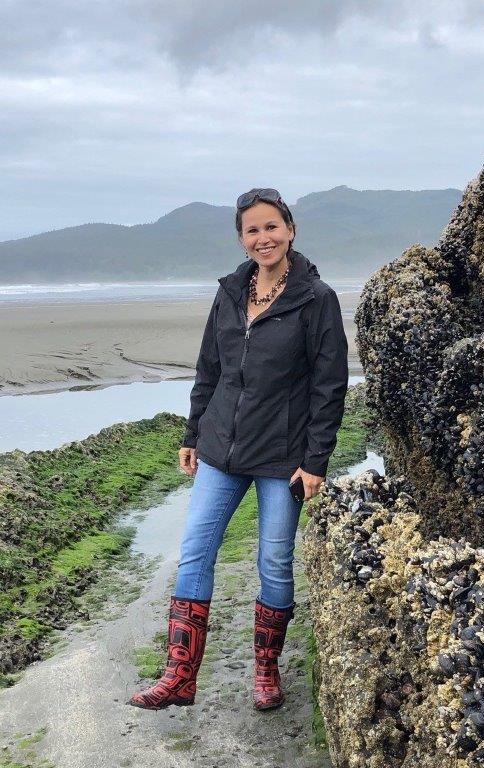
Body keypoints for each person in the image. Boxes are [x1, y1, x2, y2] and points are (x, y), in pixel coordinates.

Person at [128, 187, 348, 712]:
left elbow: (329, 385)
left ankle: (266, 671)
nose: (263, 237)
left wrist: (315, 461)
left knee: (273, 562)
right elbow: (210, 369)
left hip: (282, 454)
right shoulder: (229, 293)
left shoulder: (317, 299)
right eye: (252, 229)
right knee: (195, 553)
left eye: (271, 226)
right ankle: (179, 677)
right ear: (242, 239)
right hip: (220, 448)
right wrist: (192, 433)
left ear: (290, 231)